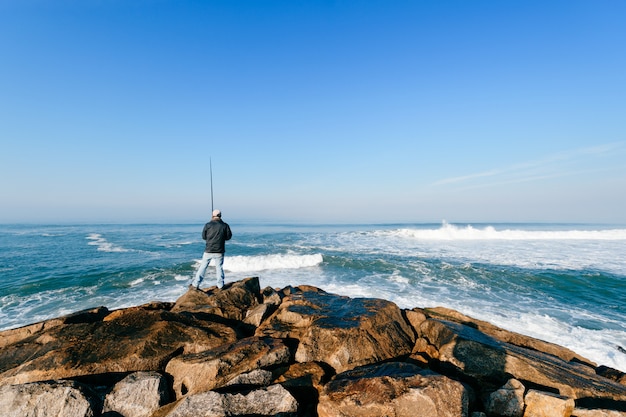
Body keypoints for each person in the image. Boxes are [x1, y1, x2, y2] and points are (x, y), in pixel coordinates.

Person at [191, 209, 232, 289]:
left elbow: (203, 237)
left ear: (213, 216)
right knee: (219, 267)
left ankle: (196, 284)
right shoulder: (225, 225)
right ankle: (220, 285)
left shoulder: (208, 225)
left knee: (203, 266)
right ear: (220, 216)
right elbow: (228, 237)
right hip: (219, 251)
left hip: (208, 250)